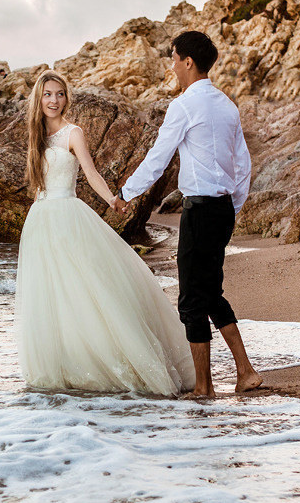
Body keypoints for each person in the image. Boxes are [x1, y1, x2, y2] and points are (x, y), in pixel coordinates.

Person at [14, 70, 196, 395]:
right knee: (50, 295)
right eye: (48, 94)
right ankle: (65, 364)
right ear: (38, 99)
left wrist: (113, 198)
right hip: (40, 221)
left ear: (66, 98)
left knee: (83, 289)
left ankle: (109, 363)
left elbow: (91, 172)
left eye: (59, 94)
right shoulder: (34, 136)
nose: (54, 100)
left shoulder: (73, 133)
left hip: (67, 216)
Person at [115, 31, 262, 398]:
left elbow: (158, 157)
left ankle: (204, 387)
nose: (173, 66)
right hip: (223, 208)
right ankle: (245, 372)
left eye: (174, 59)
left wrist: (125, 194)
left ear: (188, 62)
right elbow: (243, 165)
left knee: (192, 300)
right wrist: (233, 207)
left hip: (199, 211)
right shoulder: (227, 105)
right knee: (210, 293)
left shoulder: (183, 106)